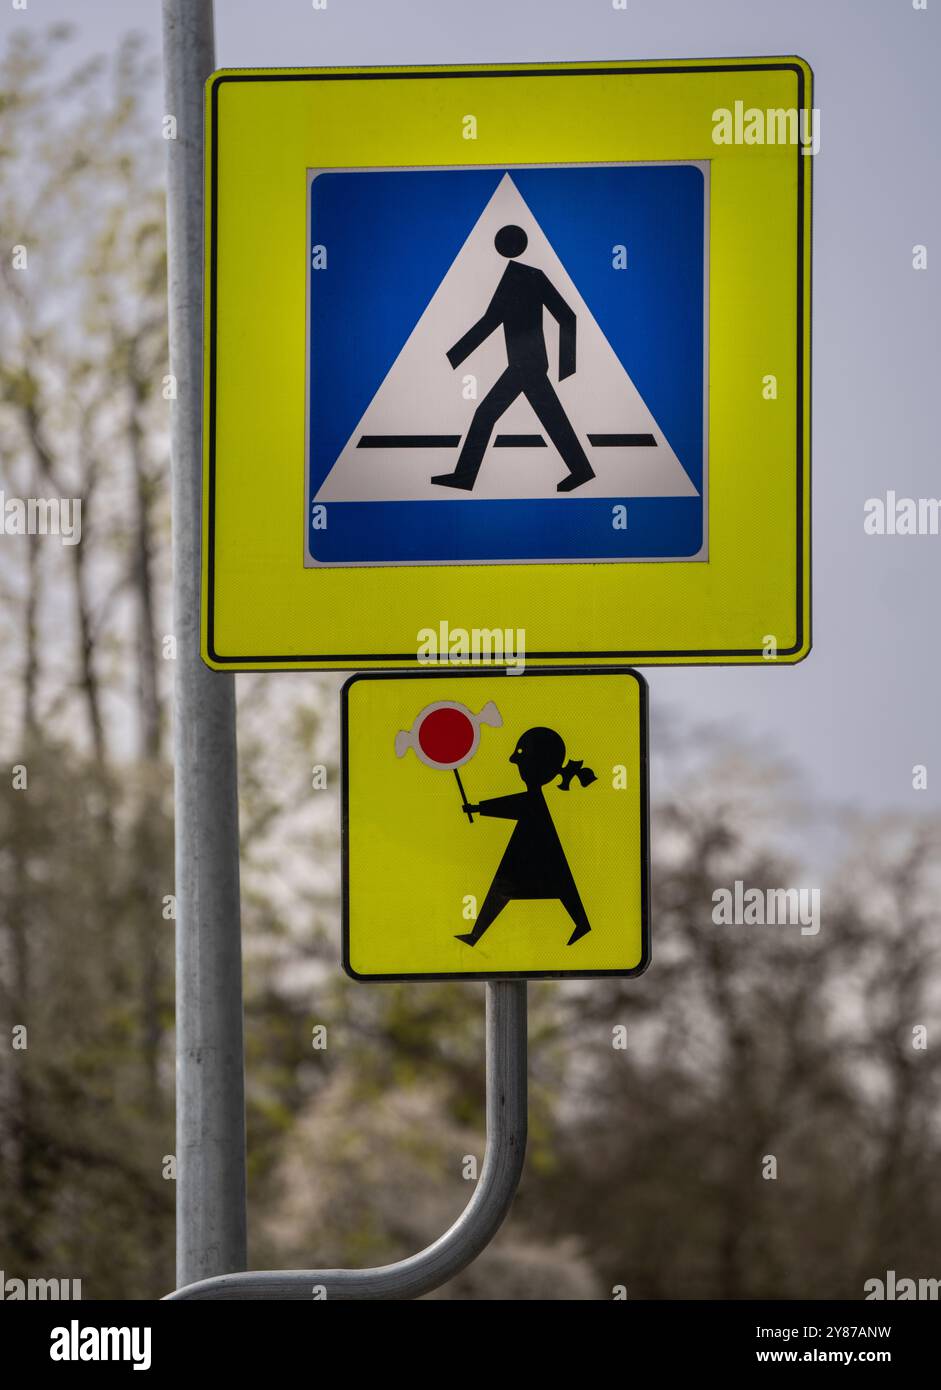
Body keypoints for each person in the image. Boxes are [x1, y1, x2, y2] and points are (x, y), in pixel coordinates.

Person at [432, 224, 595, 493]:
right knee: (551, 418)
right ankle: (581, 470)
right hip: (525, 364)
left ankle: (464, 476)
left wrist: (567, 368)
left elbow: (566, 317)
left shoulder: (522, 277)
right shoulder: (518, 277)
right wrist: (454, 357)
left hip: (526, 365)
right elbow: (491, 321)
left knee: (486, 414)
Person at [455, 726, 596, 948]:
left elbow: (517, 805)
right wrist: (478, 808)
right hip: (534, 848)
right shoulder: (534, 797)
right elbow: (517, 804)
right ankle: (475, 936)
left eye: (521, 758)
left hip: (532, 849)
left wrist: (479, 808)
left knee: (506, 887)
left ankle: (475, 936)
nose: (516, 763)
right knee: (560, 886)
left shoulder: (533, 798)